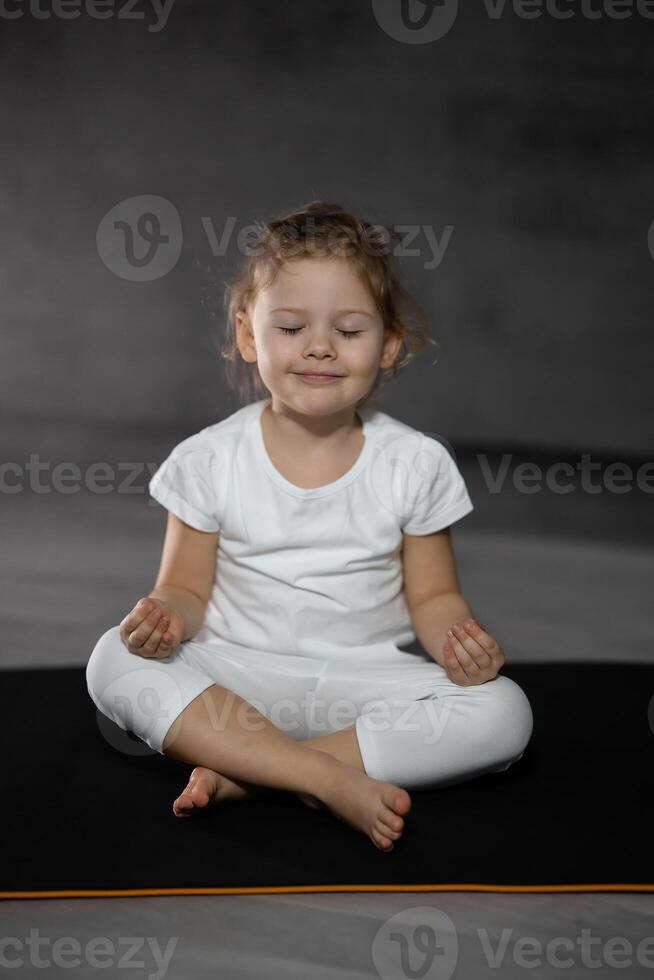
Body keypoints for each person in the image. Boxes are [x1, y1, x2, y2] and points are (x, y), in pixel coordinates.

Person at [86, 200, 533, 853]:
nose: (319, 346)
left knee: (504, 711)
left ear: (390, 345)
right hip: (239, 681)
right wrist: (165, 619)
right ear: (248, 335)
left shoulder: (415, 462)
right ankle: (322, 777)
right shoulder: (208, 458)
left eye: (349, 331)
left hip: (361, 686)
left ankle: (250, 774)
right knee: (112, 662)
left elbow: (434, 598)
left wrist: (461, 649)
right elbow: (184, 588)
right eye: (291, 327)